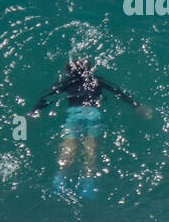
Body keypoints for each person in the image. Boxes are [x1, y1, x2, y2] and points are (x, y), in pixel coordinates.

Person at [29, 56, 153, 198]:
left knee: (70, 145)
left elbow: (46, 98)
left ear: (68, 71)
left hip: (74, 114)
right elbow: (118, 92)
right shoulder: (97, 79)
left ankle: (61, 178)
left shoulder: (67, 82)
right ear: (90, 69)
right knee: (91, 148)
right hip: (93, 113)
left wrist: (34, 112)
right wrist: (137, 105)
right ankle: (88, 183)